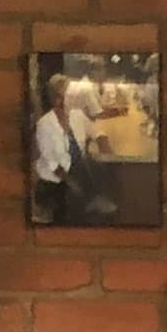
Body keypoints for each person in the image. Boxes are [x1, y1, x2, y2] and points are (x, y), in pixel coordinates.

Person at [33, 72, 115, 224]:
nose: (68, 98)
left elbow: (98, 133)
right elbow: (53, 166)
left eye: (68, 93)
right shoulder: (45, 125)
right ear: (55, 99)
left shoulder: (77, 115)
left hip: (81, 179)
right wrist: (79, 188)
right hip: (57, 183)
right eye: (63, 95)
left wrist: (108, 154)